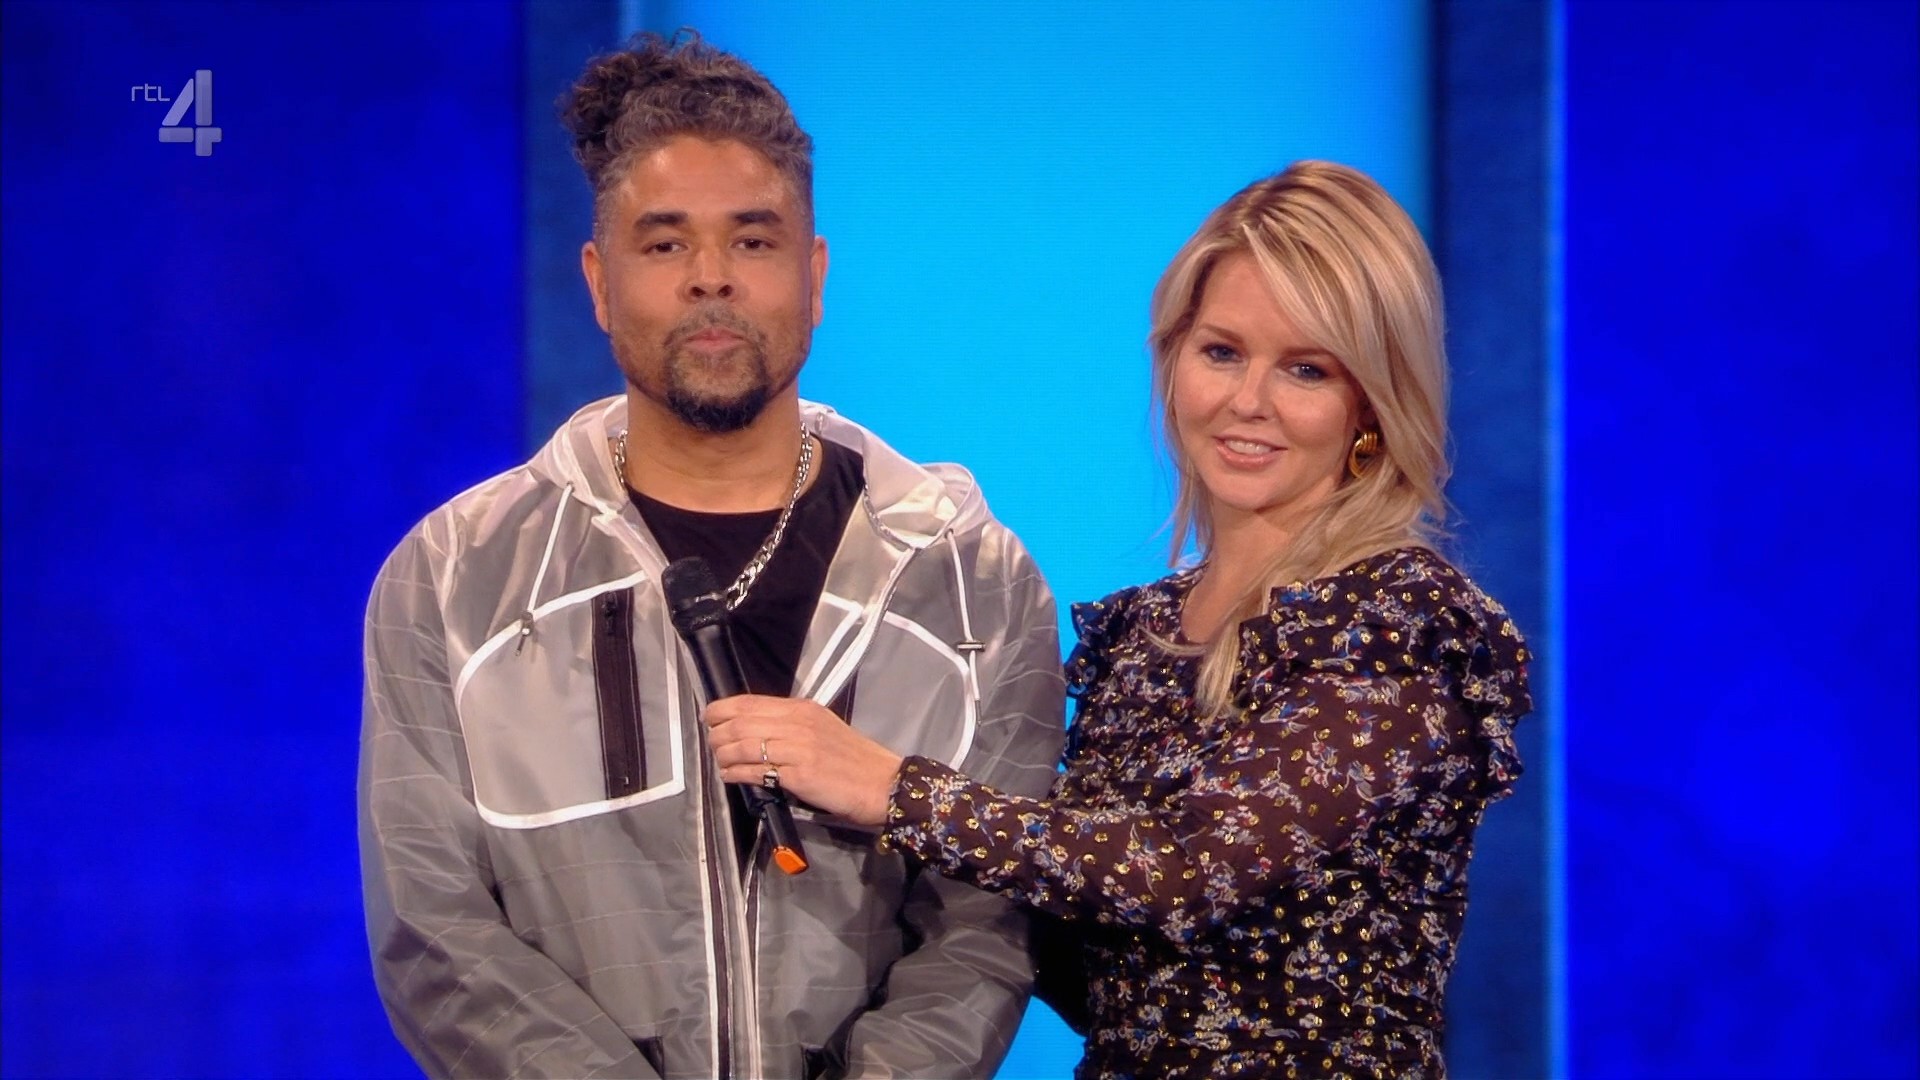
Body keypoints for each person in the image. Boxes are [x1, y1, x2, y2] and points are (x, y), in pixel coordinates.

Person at [705, 160, 1533, 1079]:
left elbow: (1186, 873)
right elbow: (1092, 945)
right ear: (1173, 359)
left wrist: (892, 788)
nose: (1248, 401)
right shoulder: (1144, 635)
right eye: (1222, 352)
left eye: (1306, 369)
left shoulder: (1397, 621)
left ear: (1370, 402)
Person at [357, 32, 1065, 1080]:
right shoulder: (455, 575)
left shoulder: (975, 581)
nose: (711, 281)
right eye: (664, 245)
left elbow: (987, 930)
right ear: (599, 284)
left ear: (813, 276)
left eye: (753, 240)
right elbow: (436, 929)